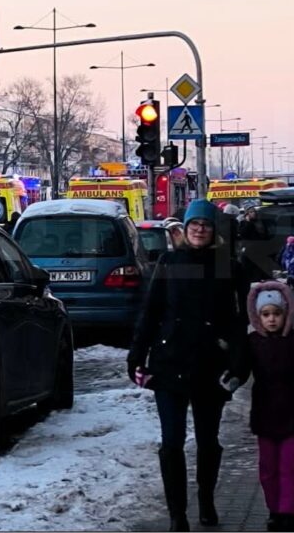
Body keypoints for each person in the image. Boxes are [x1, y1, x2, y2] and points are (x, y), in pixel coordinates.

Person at [128, 199, 247, 531]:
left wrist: (239, 366)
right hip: (170, 365)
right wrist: (136, 356)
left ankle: (206, 501)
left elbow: (239, 323)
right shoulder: (169, 262)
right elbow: (150, 313)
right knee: (171, 443)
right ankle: (177, 513)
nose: (199, 230)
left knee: (208, 442)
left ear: (213, 231)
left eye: (205, 225)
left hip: (211, 367)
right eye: (194, 224)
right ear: (185, 228)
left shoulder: (229, 267)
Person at [232, 281, 294, 532]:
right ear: (257, 316)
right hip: (264, 415)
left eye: (276, 314)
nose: (271, 320)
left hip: (292, 415)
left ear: (286, 314)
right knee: (268, 468)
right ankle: (273, 510)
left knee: (289, 467)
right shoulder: (253, 342)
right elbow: (241, 369)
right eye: (265, 314)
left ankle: (288, 511)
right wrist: (230, 378)